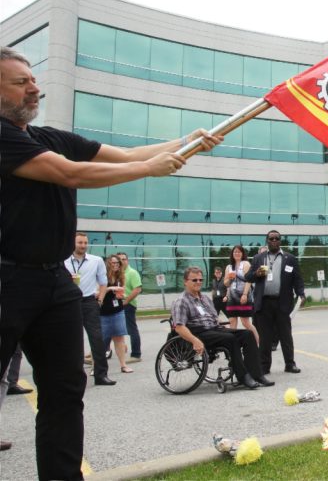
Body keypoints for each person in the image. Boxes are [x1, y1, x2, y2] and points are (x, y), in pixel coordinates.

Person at [0, 46, 222, 480]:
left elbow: (125, 154)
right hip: (6, 279)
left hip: (56, 282)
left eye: (33, 79)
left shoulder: (49, 137)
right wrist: (151, 170)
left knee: (65, 392)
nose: (35, 87)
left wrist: (188, 142)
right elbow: (70, 174)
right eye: (20, 82)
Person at [171, 267, 274, 389]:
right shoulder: (182, 301)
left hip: (214, 330)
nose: (198, 282)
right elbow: (179, 327)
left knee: (247, 334)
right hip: (198, 332)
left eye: (200, 279)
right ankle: (243, 376)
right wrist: (195, 341)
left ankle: (257, 375)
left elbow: (214, 318)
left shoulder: (205, 299)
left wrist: (220, 323)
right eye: (194, 280)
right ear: (185, 281)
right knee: (230, 339)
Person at [246, 230, 306, 374]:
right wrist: (256, 274)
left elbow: (297, 279)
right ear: (266, 240)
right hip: (264, 303)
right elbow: (248, 277)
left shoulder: (289, 258)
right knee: (265, 337)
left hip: (282, 303)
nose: (274, 241)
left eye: (276, 238)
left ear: (280, 241)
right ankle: (264, 366)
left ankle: (290, 364)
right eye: (271, 238)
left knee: (285, 335)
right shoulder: (258, 258)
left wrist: (301, 294)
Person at [65, 232, 115, 386]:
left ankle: (101, 375)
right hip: (69, 302)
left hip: (89, 302)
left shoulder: (96, 260)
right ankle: (72, 376)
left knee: (97, 338)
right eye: (80, 242)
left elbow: (103, 281)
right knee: (71, 339)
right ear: (73, 243)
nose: (83, 245)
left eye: (85, 243)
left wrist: (100, 299)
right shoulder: (64, 261)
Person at [100, 255, 134, 374]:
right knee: (100, 340)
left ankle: (123, 365)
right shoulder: (102, 276)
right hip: (102, 312)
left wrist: (121, 295)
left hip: (117, 311)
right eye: (113, 263)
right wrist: (109, 289)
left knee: (119, 338)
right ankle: (96, 368)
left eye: (117, 263)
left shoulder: (120, 277)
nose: (115, 265)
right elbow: (96, 294)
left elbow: (122, 291)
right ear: (108, 263)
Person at [223, 245, 259, 342]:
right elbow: (225, 283)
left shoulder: (246, 264)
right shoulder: (229, 267)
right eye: (235, 252)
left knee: (245, 323)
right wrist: (230, 279)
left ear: (242, 253)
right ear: (232, 254)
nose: (237, 253)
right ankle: (233, 345)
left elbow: (249, 280)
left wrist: (245, 294)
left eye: (239, 252)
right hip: (232, 298)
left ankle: (257, 343)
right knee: (232, 323)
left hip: (243, 297)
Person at [117, 252, 143, 363]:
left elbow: (137, 289)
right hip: (117, 304)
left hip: (128, 305)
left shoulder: (132, 273)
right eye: (119, 259)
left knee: (132, 329)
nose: (122, 261)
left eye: (124, 259)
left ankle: (136, 354)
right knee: (115, 328)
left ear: (127, 260)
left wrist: (126, 302)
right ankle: (122, 347)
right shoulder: (117, 273)